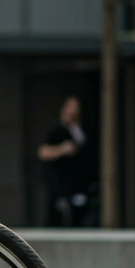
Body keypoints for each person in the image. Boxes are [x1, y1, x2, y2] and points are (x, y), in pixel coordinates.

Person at [38, 96, 95, 226]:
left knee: (79, 214)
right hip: (58, 181)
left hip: (78, 181)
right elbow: (43, 152)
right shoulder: (55, 129)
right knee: (57, 214)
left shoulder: (82, 129)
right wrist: (62, 149)